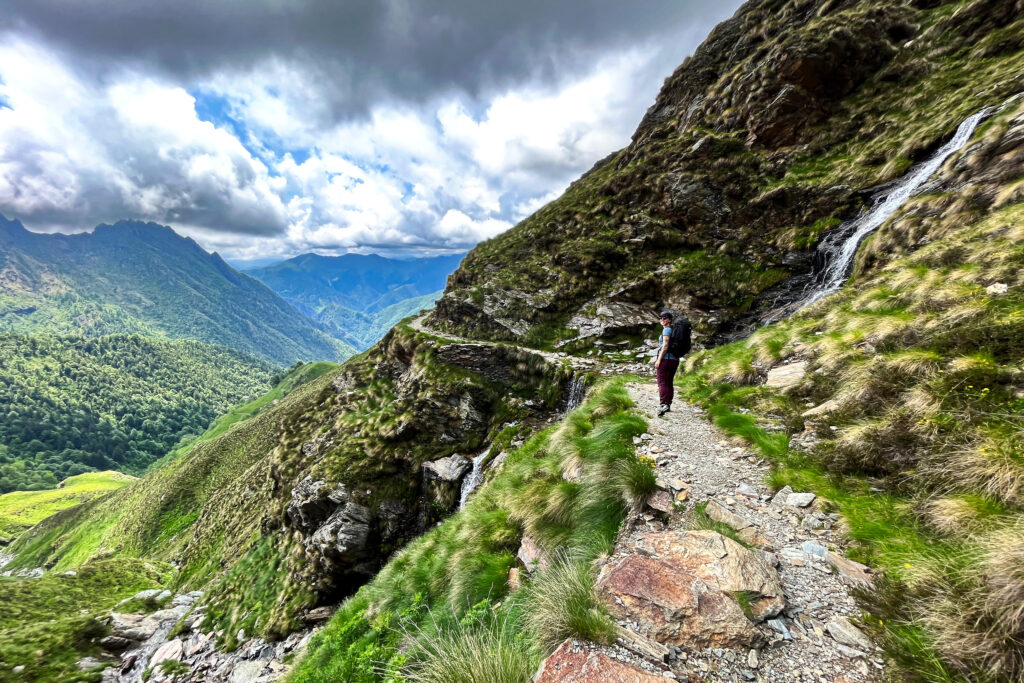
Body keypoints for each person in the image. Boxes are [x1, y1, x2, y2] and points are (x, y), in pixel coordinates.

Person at [654, 311, 680, 417]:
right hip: (675, 360)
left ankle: (663, 404)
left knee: (662, 382)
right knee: (669, 382)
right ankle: (668, 404)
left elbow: (665, 346)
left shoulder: (667, 330)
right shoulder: (674, 330)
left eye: (664, 318)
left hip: (666, 359)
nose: (662, 320)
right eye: (660, 318)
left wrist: (659, 360)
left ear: (669, 319)